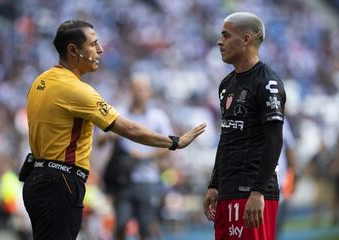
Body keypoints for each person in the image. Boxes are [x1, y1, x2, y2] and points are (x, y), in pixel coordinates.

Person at [22, 20, 206, 240]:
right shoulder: (76, 90)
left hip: (37, 178)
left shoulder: (40, 81)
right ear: (73, 50)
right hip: (60, 183)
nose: (100, 50)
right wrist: (174, 142)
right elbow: (126, 128)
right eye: (93, 44)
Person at [203, 12, 286, 240]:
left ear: (246, 39)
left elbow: (274, 140)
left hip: (253, 193)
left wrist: (258, 192)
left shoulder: (267, 83)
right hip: (227, 191)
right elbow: (227, 137)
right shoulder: (226, 84)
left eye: (226, 36)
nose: (220, 42)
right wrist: (214, 184)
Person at [101, 73, 172, 240]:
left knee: (146, 226)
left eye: (142, 88)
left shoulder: (157, 117)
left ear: (149, 92)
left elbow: (169, 145)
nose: (138, 92)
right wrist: (108, 136)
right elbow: (99, 142)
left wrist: (144, 155)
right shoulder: (119, 114)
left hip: (147, 177)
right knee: (120, 224)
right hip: (123, 178)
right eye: (134, 88)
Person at [275, 119, 297, 240]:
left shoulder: (282, 121)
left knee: (277, 223)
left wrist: (294, 174)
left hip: (280, 179)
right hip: (258, 179)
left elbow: (290, 148)